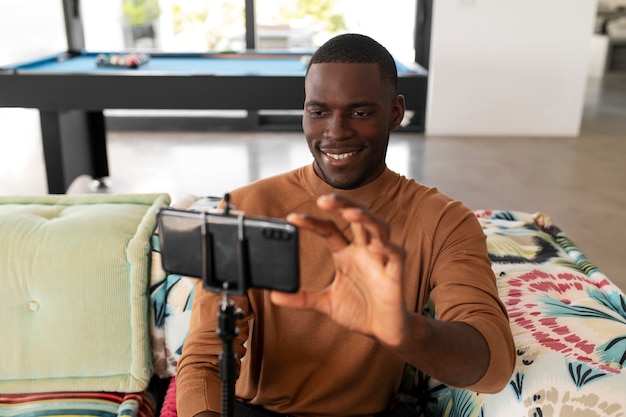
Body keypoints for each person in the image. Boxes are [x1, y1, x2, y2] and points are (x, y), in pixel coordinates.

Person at [176, 33, 515, 417]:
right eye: (318, 112)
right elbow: (205, 357)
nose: (335, 132)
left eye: (360, 112)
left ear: (396, 113)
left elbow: (495, 367)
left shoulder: (443, 221)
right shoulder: (246, 206)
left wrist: (403, 330)